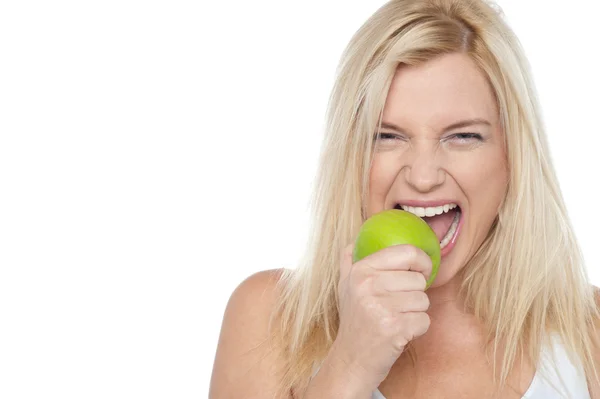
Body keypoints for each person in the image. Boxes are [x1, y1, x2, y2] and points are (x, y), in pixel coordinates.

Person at [209, 0, 600, 397]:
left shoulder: (589, 332)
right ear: (352, 156)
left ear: (512, 157)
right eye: (387, 136)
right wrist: (351, 364)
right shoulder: (269, 318)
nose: (424, 177)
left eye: (463, 136)